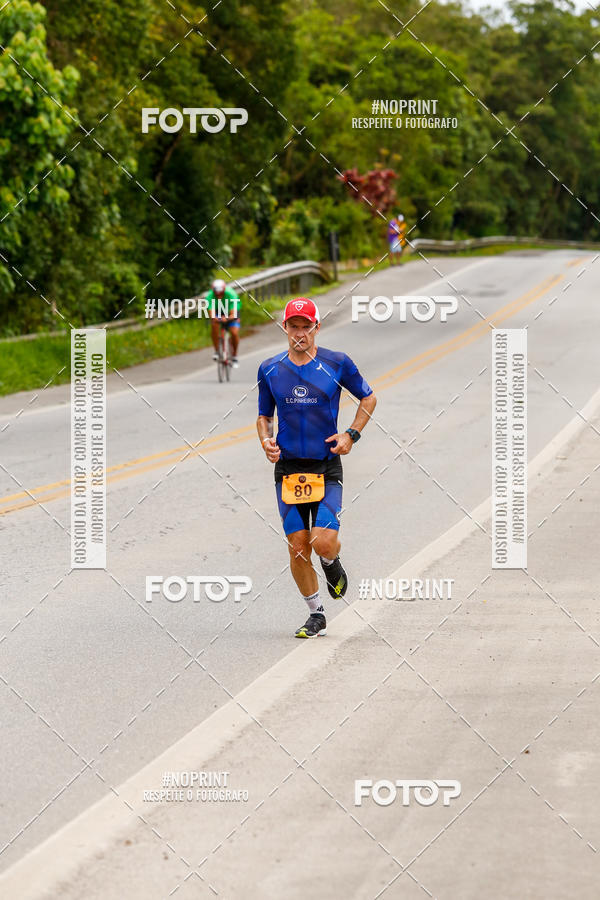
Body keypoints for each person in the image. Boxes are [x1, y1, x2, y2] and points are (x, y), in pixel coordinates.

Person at [256, 298, 377, 638]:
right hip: (289, 469)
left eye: (305, 326)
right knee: (297, 544)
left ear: (317, 328)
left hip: (325, 465)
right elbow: (264, 417)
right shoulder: (270, 368)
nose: (299, 333)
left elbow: (369, 398)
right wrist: (266, 441)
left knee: (321, 542)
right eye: (293, 326)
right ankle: (316, 613)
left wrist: (351, 434)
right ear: (285, 328)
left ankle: (330, 562)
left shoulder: (337, 363)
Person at [206, 278, 241, 366]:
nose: (218, 295)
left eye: (221, 293)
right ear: (213, 291)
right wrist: (216, 318)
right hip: (218, 311)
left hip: (231, 311)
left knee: (234, 333)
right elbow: (211, 313)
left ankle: (235, 355)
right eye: (216, 293)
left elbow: (233, 314)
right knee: (214, 326)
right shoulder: (209, 295)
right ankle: (217, 351)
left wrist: (227, 318)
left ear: (224, 290)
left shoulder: (231, 294)